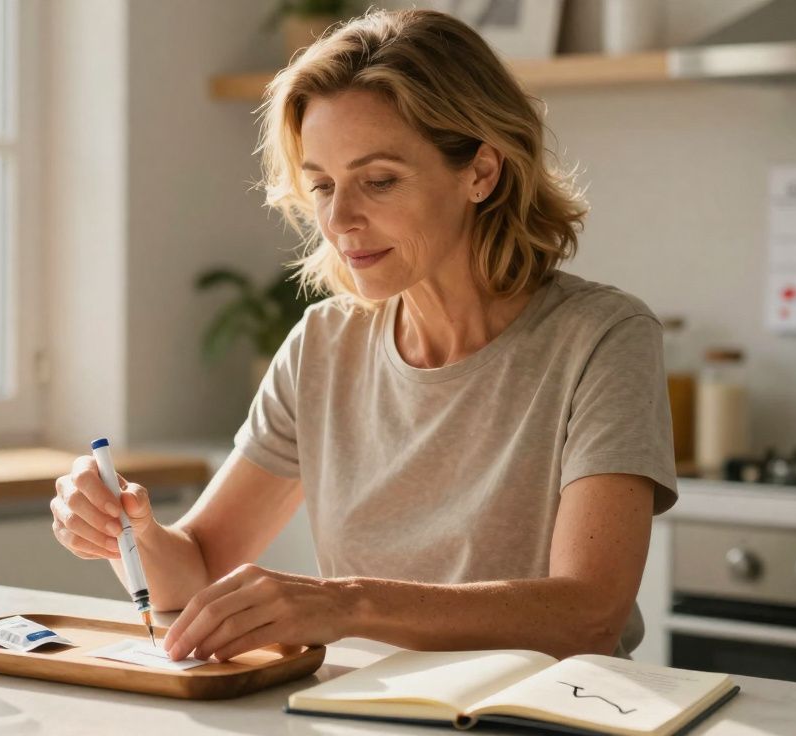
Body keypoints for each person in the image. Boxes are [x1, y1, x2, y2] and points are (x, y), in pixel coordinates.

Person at [50, 8, 677, 663]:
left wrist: (345, 604)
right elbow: (198, 569)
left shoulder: (603, 339)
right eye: (322, 185)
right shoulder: (324, 346)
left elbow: (589, 614)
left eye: (379, 181)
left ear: (481, 173)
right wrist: (129, 531)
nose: (340, 218)